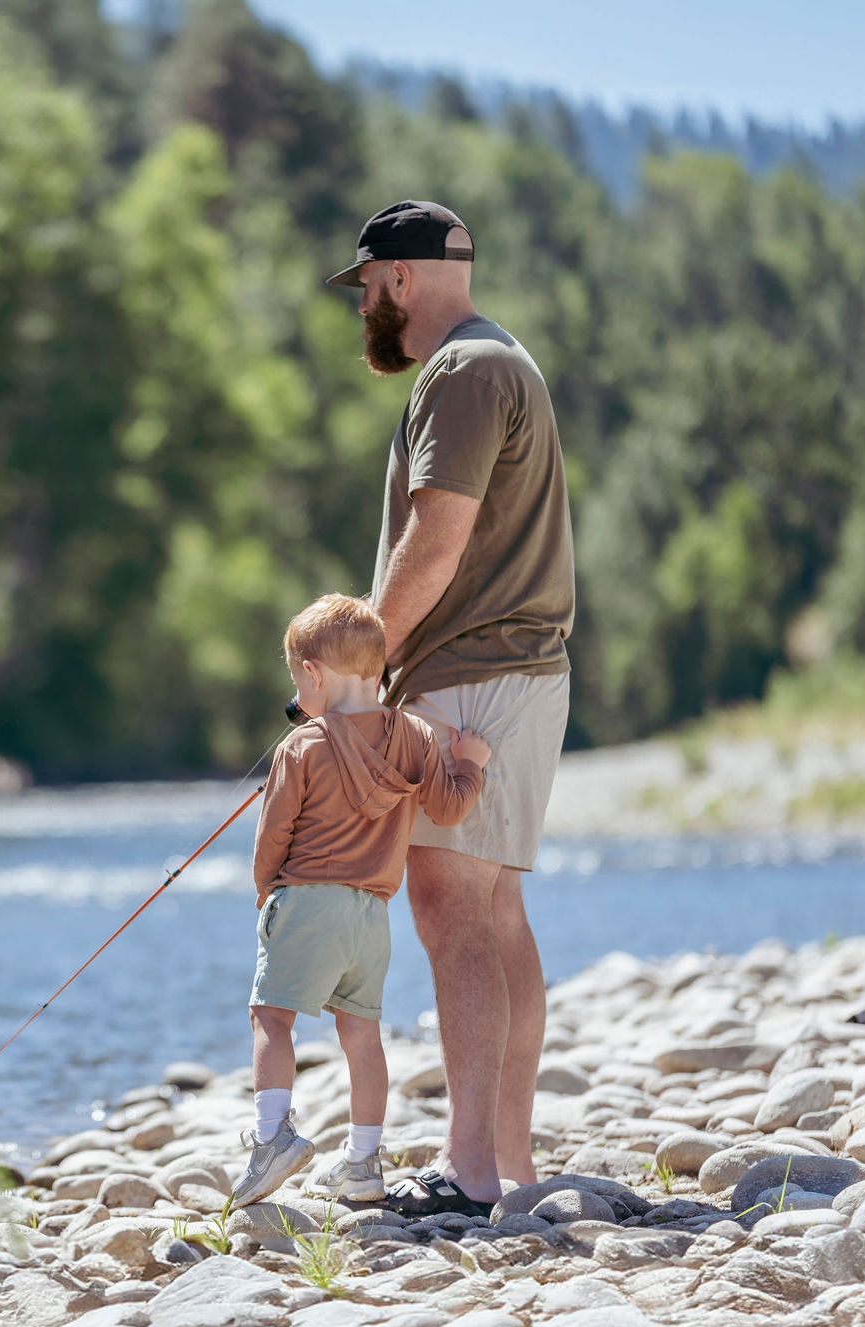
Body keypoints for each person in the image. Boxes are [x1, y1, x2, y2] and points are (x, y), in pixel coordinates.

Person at [326, 200, 576, 1217]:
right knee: (493, 907)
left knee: (450, 906)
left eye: (363, 292)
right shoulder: (502, 356)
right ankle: (508, 1161)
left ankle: (470, 1169)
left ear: (394, 279)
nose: (362, 314)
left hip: (473, 672)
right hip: (518, 669)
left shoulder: (463, 372)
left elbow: (433, 541)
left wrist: (353, 671)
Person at [231, 594, 489, 1206]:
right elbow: (449, 809)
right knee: (362, 1036)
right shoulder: (416, 736)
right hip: (372, 915)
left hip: (306, 901)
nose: (298, 694)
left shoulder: (301, 748)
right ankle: (364, 1162)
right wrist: (471, 765)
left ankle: (272, 1140)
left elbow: (273, 839)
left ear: (313, 673)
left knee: (271, 1018)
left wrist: (268, 898)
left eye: (298, 680)